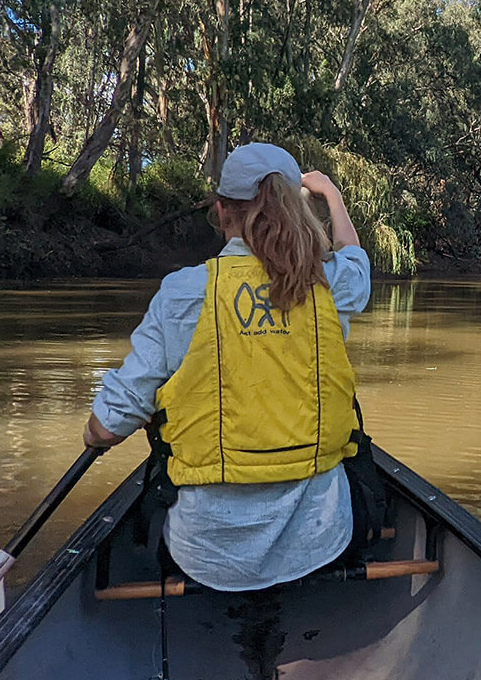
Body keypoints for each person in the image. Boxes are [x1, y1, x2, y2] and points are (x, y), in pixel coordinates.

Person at [83, 143, 371, 591]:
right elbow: (356, 259)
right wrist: (331, 195)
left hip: (205, 554)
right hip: (320, 542)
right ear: (296, 208)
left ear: (221, 210)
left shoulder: (183, 293)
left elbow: (107, 429)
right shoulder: (331, 284)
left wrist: (93, 434)